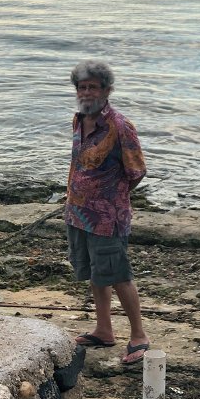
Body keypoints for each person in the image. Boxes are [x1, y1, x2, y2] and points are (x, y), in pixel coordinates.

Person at [64, 60, 150, 365]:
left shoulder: (120, 126)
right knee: (95, 274)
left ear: (107, 90)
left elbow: (136, 171)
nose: (87, 92)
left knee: (118, 274)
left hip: (107, 217)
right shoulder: (79, 120)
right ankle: (103, 329)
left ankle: (139, 336)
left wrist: (109, 197)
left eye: (93, 87)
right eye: (82, 87)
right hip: (78, 213)